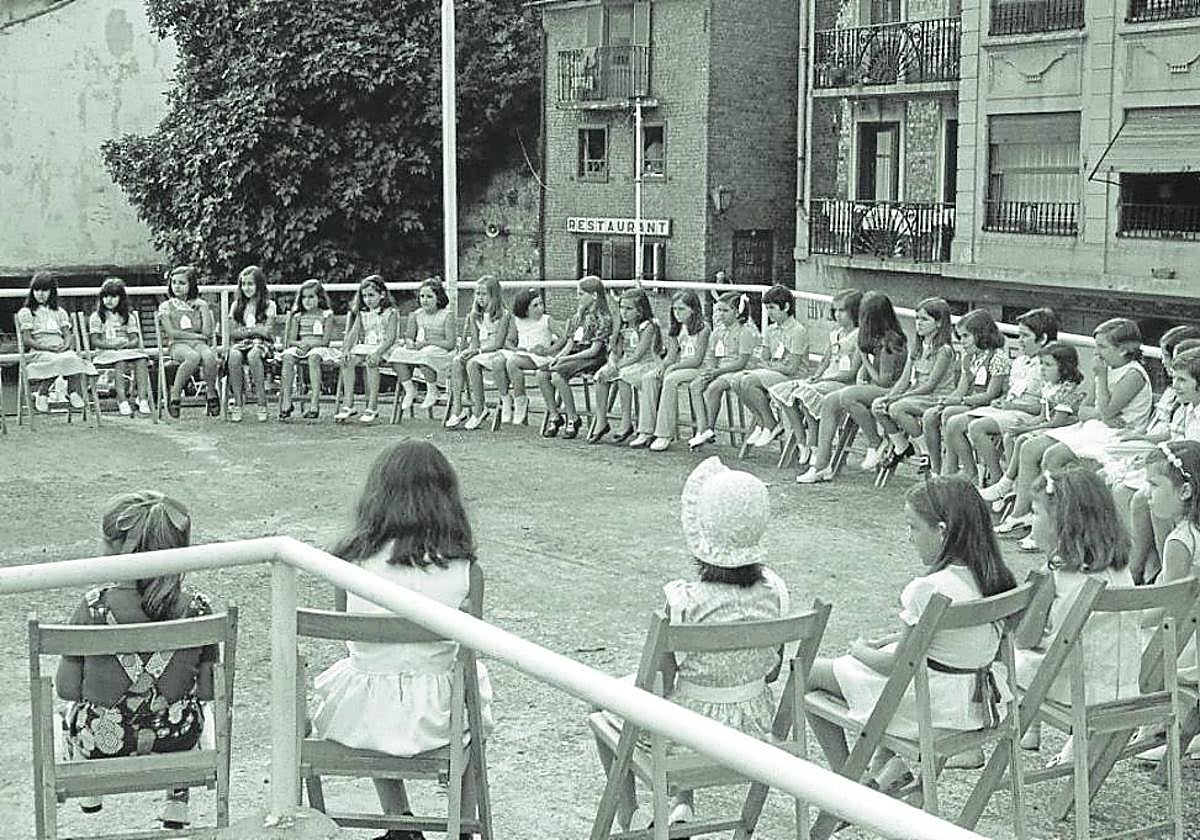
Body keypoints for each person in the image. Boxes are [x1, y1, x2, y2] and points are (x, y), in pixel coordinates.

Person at [593, 456, 791, 832]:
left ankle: (632, 817)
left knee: (601, 703)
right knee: (691, 698)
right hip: (754, 734)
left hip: (686, 741)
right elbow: (773, 671)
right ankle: (683, 804)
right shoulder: (775, 592)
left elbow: (659, 685)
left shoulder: (683, 601)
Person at [310, 441, 494, 840]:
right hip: (440, 719)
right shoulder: (465, 569)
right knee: (472, 685)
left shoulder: (348, 562)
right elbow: (470, 650)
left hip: (362, 718)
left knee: (369, 673)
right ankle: (463, 825)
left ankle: (399, 820)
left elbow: (350, 632)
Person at [806, 475, 1017, 793]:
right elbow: (954, 645)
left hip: (933, 711)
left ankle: (849, 783)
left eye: (913, 527)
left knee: (808, 672)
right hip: (978, 706)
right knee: (892, 672)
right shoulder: (997, 578)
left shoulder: (929, 589)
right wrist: (892, 642)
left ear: (942, 532)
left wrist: (859, 649)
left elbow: (895, 667)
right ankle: (892, 776)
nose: (909, 538)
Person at [56, 491, 217, 830]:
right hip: (177, 737)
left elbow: (67, 689)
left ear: (117, 549)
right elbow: (207, 690)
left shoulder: (93, 607)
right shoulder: (197, 609)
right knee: (189, 712)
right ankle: (177, 799)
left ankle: (90, 786)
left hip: (103, 741)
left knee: (69, 714)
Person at [1014, 465, 1141, 766]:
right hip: (1123, 688)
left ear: (1060, 523)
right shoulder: (1122, 571)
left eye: (1035, 513)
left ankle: (1024, 726)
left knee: (1009, 659)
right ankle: (1038, 734)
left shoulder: (1054, 575)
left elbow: (1022, 638)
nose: (1032, 521)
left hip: (1075, 690)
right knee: (1072, 646)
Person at [1113, 347, 1200, 584]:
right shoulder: (1187, 409)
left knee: (1146, 497)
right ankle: (1147, 567)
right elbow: (1175, 441)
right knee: (1124, 485)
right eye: (1174, 379)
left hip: (1191, 478)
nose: (1176, 386)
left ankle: (1161, 569)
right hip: (1184, 471)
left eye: (1182, 380)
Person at [983, 343, 1086, 540]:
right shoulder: (1049, 386)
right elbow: (1042, 416)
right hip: (1050, 427)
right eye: (1041, 364)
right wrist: (1027, 425)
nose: (1043, 369)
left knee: (1025, 439)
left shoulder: (1068, 390)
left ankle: (1006, 486)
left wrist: (1027, 429)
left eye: (1048, 365)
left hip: (1064, 430)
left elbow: (1057, 423)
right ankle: (1013, 491)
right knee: (1016, 437)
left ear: (1064, 367)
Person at [1137, 441, 1200, 762]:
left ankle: (1151, 719)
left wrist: (1135, 619)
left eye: (1154, 485)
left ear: (1186, 491)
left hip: (1187, 646)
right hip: (1192, 630)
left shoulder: (1181, 540)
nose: (1148, 494)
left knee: (1128, 640)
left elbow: (1169, 604)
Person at [954, 307, 1058, 488]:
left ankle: (998, 479)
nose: (1020, 341)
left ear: (1042, 339)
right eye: (1019, 335)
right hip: (1008, 409)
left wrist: (1012, 406)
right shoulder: (1019, 361)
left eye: (1025, 336)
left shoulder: (1048, 366)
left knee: (977, 426)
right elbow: (1012, 391)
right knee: (955, 423)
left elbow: (1046, 408)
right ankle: (971, 473)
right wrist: (1002, 401)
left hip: (1028, 414)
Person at [770, 288, 860, 480]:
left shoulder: (858, 336)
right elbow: (826, 360)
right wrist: (817, 375)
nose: (837, 315)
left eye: (842, 311)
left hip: (841, 382)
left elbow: (851, 372)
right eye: (835, 310)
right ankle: (803, 441)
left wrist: (826, 379)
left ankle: (815, 445)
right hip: (826, 378)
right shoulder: (835, 333)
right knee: (788, 392)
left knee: (805, 394)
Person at [872, 297, 957, 472]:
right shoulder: (917, 347)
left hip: (935, 397)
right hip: (916, 394)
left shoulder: (944, 351)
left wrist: (900, 397)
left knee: (897, 408)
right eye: (917, 318)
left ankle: (926, 451)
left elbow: (931, 385)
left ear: (939, 323)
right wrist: (889, 397)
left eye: (925, 319)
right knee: (878, 405)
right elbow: (904, 380)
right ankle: (901, 445)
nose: (919, 323)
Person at [923, 309, 1009, 478]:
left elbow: (990, 395)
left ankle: (965, 470)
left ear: (981, 335)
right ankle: (941, 468)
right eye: (960, 337)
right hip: (970, 403)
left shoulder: (997, 358)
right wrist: (947, 400)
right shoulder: (968, 358)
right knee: (933, 414)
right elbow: (961, 389)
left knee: (949, 414)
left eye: (965, 337)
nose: (962, 342)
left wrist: (961, 401)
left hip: (988, 406)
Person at [832, 291, 908, 474]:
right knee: (846, 396)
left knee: (847, 396)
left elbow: (884, 381)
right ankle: (875, 441)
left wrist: (864, 359)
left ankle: (876, 441)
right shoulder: (880, 337)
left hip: (890, 390)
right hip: (878, 387)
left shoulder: (891, 341)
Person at [733, 283, 812, 450]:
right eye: (767, 308)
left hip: (793, 377)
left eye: (772, 308)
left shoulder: (798, 331)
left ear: (786, 307)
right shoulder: (770, 330)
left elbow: (792, 367)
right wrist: (770, 365)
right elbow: (763, 358)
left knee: (749, 381)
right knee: (736, 380)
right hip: (773, 372)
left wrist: (769, 366)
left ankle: (771, 424)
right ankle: (762, 422)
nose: (769, 312)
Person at [536, 275, 612, 440]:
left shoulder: (603, 318)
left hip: (591, 356)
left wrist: (566, 360)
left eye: (581, 294)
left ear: (594, 296)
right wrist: (560, 357)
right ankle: (555, 415)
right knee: (542, 373)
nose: (578, 298)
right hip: (574, 354)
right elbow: (570, 344)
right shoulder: (578, 317)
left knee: (557, 376)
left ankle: (573, 418)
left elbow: (594, 350)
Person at [635, 291, 711, 451]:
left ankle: (664, 433)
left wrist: (673, 367)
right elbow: (671, 356)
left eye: (681, 309)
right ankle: (646, 430)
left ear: (693, 309)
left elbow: (697, 360)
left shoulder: (703, 329)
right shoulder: (677, 328)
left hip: (700, 369)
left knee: (670, 379)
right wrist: (662, 367)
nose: (677, 313)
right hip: (682, 367)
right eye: (675, 309)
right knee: (650, 377)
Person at [15, 271, 96, 415]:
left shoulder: (59, 312)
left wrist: (65, 345)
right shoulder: (27, 312)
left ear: (52, 292)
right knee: (56, 360)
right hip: (39, 350)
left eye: (45, 290)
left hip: (59, 349)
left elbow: (67, 334)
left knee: (73, 358)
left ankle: (72, 391)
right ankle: (43, 393)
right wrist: (46, 347)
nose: (40, 294)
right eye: (37, 290)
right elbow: (27, 339)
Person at [687, 292, 760, 450]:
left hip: (736, 370)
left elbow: (741, 362)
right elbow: (712, 356)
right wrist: (710, 370)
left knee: (714, 388)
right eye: (718, 310)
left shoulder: (744, 332)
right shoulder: (717, 332)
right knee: (695, 385)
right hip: (719, 370)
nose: (720, 314)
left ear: (737, 311)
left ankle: (709, 427)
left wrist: (717, 372)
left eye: (725, 311)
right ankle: (703, 428)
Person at [589, 288, 662, 443]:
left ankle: (626, 421)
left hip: (645, 363)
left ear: (640, 311)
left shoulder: (648, 327)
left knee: (624, 377)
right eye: (622, 307)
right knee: (600, 377)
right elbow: (616, 353)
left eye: (629, 308)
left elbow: (638, 355)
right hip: (625, 363)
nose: (624, 312)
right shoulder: (623, 326)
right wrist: (611, 364)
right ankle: (601, 421)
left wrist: (616, 368)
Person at [157, 265, 220, 419]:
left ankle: (211, 391)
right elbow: (172, 333)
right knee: (192, 357)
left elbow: (207, 333)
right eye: (174, 283)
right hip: (178, 345)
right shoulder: (166, 306)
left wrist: (204, 309)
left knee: (209, 357)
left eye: (182, 283)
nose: (177, 287)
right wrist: (196, 337)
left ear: (191, 285)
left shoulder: (200, 305)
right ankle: (175, 393)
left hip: (199, 344)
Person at [335, 274, 398, 425]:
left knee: (371, 362)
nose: (367, 299)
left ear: (382, 295)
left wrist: (377, 353)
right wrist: (345, 351)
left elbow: (390, 338)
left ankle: (372, 406)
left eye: (371, 295)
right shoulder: (363, 313)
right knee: (347, 361)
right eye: (364, 296)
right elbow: (353, 334)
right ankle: (348, 403)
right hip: (366, 346)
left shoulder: (391, 313)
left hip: (383, 348)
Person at [390, 278, 457, 415]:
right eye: (422, 296)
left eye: (429, 297)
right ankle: (409, 389)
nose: (425, 300)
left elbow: (450, 343)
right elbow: (409, 337)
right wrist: (410, 344)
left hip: (441, 350)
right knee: (396, 354)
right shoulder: (416, 315)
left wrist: (428, 343)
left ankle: (432, 390)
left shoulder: (446, 315)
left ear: (438, 298)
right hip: (421, 349)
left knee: (425, 355)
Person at [456, 276, 515, 430]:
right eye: (477, 294)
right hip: (481, 351)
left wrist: (477, 351)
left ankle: (489, 405)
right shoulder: (474, 316)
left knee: (473, 362)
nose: (480, 298)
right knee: (462, 361)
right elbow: (475, 341)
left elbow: (499, 343)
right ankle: (467, 408)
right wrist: (470, 351)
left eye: (484, 294)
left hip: (499, 351)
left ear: (494, 296)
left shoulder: (504, 315)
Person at [89, 277, 152, 417]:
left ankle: (142, 398)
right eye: (105, 297)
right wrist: (111, 345)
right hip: (105, 352)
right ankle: (122, 399)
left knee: (142, 359)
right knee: (120, 362)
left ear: (121, 298)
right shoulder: (97, 317)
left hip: (125, 350)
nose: (109, 300)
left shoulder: (128, 317)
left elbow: (135, 339)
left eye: (113, 296)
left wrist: (126, 344)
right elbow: (95, 341)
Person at [278, 279, 340, 420]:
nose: (307, 301)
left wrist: (310, 346)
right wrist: (300, 345)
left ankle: (314, 402)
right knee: (287, 357)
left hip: (319, 348)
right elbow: (290, 340)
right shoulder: (298, 316)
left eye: (311, 297)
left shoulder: (326, 315)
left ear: (320, 298)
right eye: (304, 297)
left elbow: (325, 341)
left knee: (313, 358)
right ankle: (287, 401)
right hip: (301, 347)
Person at [494, 288, 557, 425]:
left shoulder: (546, 320)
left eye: (541, 304)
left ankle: (520, 399)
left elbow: (564, 338)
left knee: (512, 362)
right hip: (522, 354)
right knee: (498, 360)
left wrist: (549, 350)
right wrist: (515, 348)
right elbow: (508, 341)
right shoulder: (519, 321)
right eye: (535, 305)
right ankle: (505, 398)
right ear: (525, 310)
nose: (540, 308)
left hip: (539, 357)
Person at [225, 265, 278, 423]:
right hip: (241, 343)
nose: (247, 288)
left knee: (254, 354)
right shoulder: (237, 306)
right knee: (233, 355)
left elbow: (267, 332)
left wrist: (247, 331)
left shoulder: (269, 305)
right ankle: (238, 402)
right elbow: (233, 332)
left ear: (259, 285)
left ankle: (261, 402)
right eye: (244, 284)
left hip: (262, 344)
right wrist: (255, 330)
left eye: (251, 284)